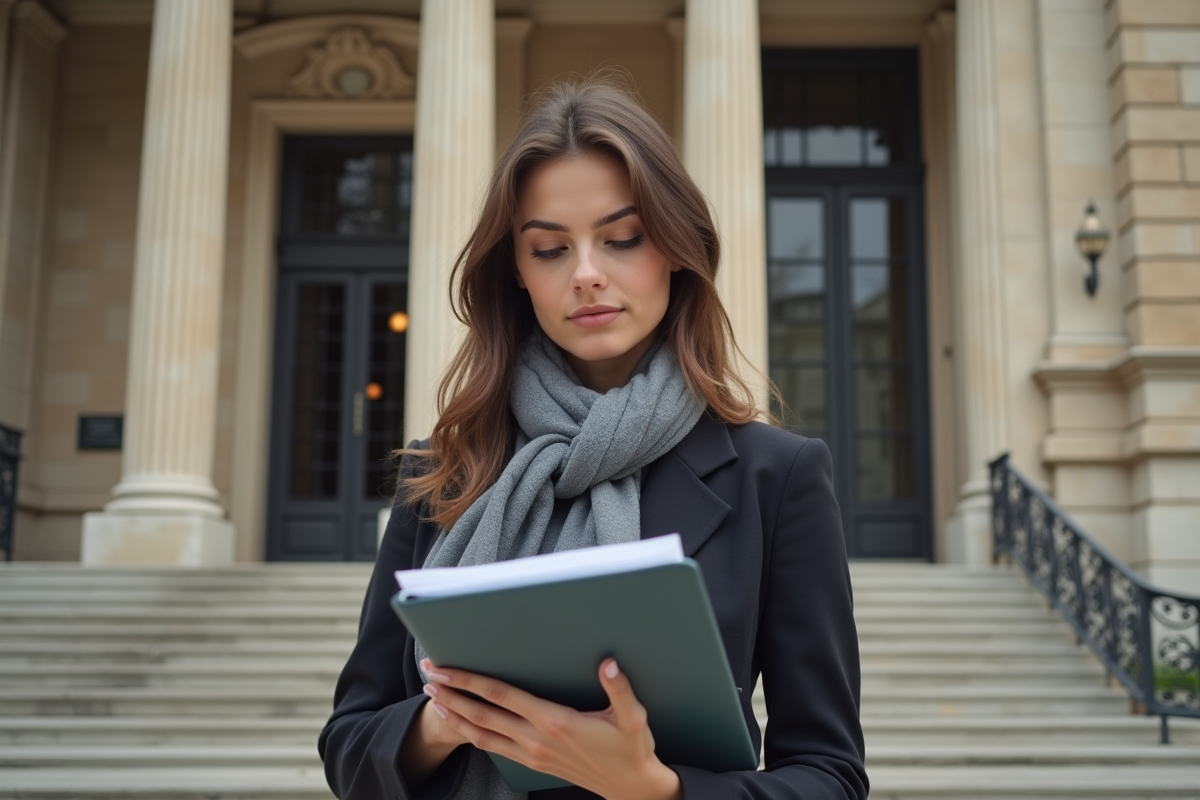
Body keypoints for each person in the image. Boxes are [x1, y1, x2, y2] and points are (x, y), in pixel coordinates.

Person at [318, 80, 867, 800]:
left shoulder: (778, 477)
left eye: (622, 238)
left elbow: (830, 778)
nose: (585, 274)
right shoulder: (445, 472)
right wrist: (448, 719)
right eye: (549, 248)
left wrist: (656, 790)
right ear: (516, 272)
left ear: (674, 246)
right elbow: (350, 748)